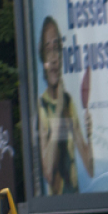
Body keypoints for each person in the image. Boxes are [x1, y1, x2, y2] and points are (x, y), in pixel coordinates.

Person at [36, 16, 94, 194]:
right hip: (57, 206)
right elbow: (47, 173)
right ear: (43, 60)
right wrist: (59, 109)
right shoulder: (42, 106)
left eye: (57, 50)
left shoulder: (68, 102)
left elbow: (90, 169)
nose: (54, 58)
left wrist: (89, 136)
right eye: (48, 51)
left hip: (75, 198)